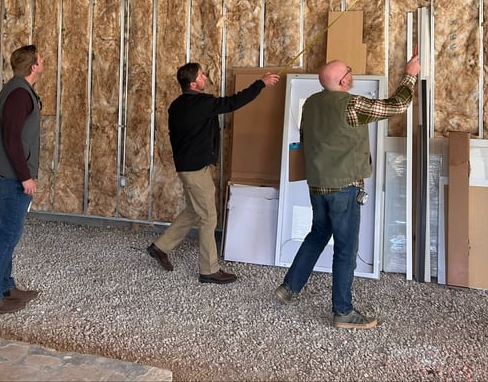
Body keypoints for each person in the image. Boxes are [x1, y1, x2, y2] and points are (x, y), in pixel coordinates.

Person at [274, 53, 421, 329]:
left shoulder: (311, 105)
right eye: (349, 72)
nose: (351, 75)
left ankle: (289, 288)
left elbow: (306, 139)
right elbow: (398, 105)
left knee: (317, 234)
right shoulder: (352, 104)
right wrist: (410, 73)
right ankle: (343, 311)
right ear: (343, 80)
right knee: (345, 249)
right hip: (344, 188)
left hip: (318, 185)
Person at [147, 62, 279, 283]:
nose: (205, 77)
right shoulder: (202, 103)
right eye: (201, 75)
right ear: (193, 83)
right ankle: (208, 269)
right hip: (195, 170)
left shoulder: (177, 105)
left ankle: (160, 247)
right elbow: (234, 102)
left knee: (194, 210)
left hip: (187, 168)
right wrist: (261, 84)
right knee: (208, 217)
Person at [0, 45, 43, 314]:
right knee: (8, 235)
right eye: (41, 59)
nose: (44, 62)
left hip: (9, 173)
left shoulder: (19, 90)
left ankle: (6, 286)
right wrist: (25, 176)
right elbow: (12, 139)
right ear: (33, 67)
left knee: (8, 232)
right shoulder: (19, 94)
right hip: (12, 176)